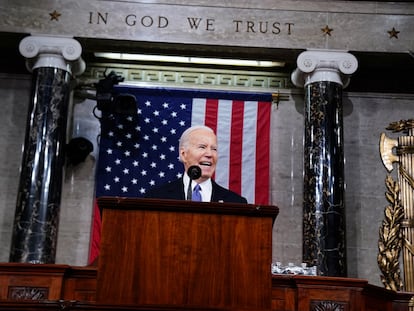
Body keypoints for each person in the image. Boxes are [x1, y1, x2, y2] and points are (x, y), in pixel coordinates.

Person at [145, 125, 248, 204]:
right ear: (183, 154)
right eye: (202, 147)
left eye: (214, 149)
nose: (209, 154)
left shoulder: (236, 202)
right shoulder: (156, 198)